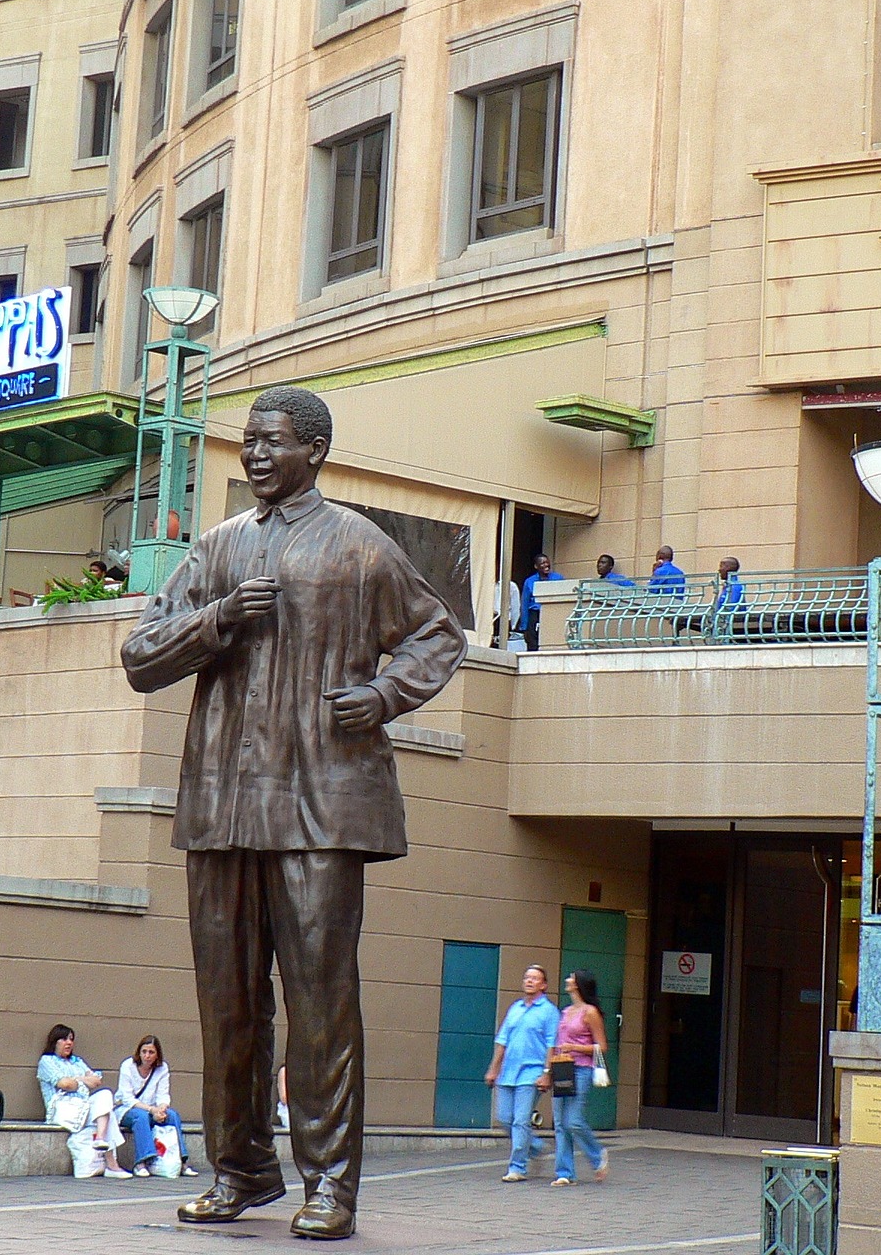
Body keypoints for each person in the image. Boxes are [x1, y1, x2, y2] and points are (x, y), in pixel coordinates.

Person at [121, 385, 466, 1241]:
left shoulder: (358, 545)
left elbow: (439, 632)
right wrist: (215, 621)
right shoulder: (219, 547)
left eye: (273, 441)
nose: (257, 455)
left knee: (320, 1000)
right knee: (227, 1003)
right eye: (249, 441)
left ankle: (331, 1185)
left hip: (319, 805)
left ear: (315, 449)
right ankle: (239, 1170)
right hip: (224, 808)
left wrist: (385, 693)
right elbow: (138, 655)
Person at [484, 965, 560, 1183]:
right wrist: (493, 1068)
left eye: (535, 978)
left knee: (520, 1121)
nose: (529, 981)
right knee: (504, 1118)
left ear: (543, 985)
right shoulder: (515, 1008)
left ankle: (517, 1167)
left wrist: (547, 1073)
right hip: (508, 1073)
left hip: (532, 1073)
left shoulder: (549, 1012)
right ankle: (535, 1146)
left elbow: (551, 1045)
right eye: (527, 977)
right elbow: (502, 1041)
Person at [36, 1025, 130, 1179]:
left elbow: (96, 1081)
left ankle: (100, 1138)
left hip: (82, 1106)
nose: (69, 1043)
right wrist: (82, 1079)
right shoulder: (47, 1061)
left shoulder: (77, 1061)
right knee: (107, 1113)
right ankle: (112, 1164)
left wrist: (76, 1081)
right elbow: (65, 1085)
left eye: (71, 1039)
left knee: (105, 1095)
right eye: (64, 1039)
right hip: (62, 1107)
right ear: (55, 1042)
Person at [548, 971, 609, 1187]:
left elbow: (602, 1046)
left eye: (571, 978)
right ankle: (565, 1172)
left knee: (572, 1120)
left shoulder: (590, 1012)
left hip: (581, 1069)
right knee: (560, 1123)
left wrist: (575, 1047)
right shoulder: (566, 1012)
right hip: (561, 1068)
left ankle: (597, 1154)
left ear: (579, 985)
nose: (567, 980)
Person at [115, 1035, 198, 1178]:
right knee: (140, 1117)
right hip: (127, 1110)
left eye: (151, 1052)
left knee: (173, 1115)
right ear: (139, 1052)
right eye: (144, 1051)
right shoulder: (128, 1066)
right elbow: (128, 1099)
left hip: (153, 1110)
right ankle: (142, 1162)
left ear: (157, 1054)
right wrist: (152, 1110)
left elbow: (163, 1094)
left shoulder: (162, 1068)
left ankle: (183, 1161)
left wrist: (162, 1109)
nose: (147, 1056)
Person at [518, 554, 563, 653]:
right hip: (535, 614)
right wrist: (524, 627)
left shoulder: (558, 578)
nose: (546, 565)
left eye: (547, 562)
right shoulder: (529, 581)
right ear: (536, 566)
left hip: (552, 613)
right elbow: (524, 604)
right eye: (542, 563)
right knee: (533, 644)